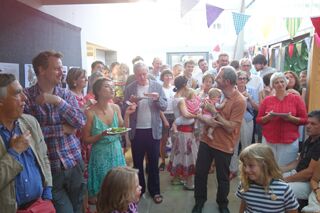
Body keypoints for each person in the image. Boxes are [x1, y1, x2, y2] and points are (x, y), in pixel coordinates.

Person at [23, 51, 86, 213]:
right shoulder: (27, 97)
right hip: (49, 169)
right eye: (57, 68)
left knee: (78, 206)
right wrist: (62, 129)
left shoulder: (65, 94)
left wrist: (57, 101)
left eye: (62, 68)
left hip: (74, 161)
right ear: (41, 70)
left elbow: (80, 122)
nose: (62, 72)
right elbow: (30, 133)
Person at [192, 66, 246, 213]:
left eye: (219, 77)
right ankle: (199, 202)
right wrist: (205, 119)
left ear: (227, 81)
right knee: (200, 173)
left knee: (222, 178)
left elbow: (230, 128)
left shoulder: (239, 101)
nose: (216, 79)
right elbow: (203, 115)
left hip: (224, 144)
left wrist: (214, 112)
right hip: (206, 140)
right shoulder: (216, 94)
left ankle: (223, 204)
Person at [0, 73, 54, 213]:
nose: (25, 98)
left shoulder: (30, 122)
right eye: (17, 94)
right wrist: (14, 152)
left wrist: (47, 193)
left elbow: (43, 158)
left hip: (40, 205)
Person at [82, 78, 136, 204]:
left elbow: (122, 130)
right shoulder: (90, 113)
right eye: (107, 86)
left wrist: (127, 114)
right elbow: (86, 140)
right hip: (100, 154)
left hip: (116, 151)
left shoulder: (116, 107)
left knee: (118, 190)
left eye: (112, 86)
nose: (112, 89)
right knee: (102, 194)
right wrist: (101, 134)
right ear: (98, 91)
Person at [124, 62, 167, 204]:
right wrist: (131, 102)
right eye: (139, 75)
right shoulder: (130, 87)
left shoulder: (157, 86)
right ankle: (139, 190)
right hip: (137, 131)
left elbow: (164, 106)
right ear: (135, 75)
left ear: (147, 72)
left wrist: (157, 99)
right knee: (137, 163)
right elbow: (125, 106)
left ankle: (155, 191)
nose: (142, 77)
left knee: (154, 163)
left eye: (144, 74)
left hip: (153, 130)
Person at [256, 72, 308, 166]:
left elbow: (304, 120)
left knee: (285, 169)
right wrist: (268, 117)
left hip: (289, 141)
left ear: (286, 83)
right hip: (269, 140)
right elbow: (259, 120)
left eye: (282, 81)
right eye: (276, 82)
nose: (280, 84)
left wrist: (291, 118)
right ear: (273, 85)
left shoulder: (296, 99)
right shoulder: (267, 100)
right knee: (269, 168)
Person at [236, 143, 299, 213]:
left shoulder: (284, 189)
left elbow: (293, 211)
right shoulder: (245, 184)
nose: (246, 170)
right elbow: (243, 206)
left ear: (265, 165)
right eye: (244, 165)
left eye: (251, 165)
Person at [167, 76, 199, 190]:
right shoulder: (180, 99)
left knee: (178, 154)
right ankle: (189, 183)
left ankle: (176, 178)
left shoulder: (176, 97)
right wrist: (197, 116)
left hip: (180, 131)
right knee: (189, 156)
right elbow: (185, 114)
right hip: (185, 132)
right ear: (185, 85)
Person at [281, 110, 320, 201]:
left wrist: (285, 179)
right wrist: (278, 169)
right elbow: (298, 161)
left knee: (278, 189)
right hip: (298, 174)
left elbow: (309, 173)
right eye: (307, 123)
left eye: (313, 124)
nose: (308, 126)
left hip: (309, 183)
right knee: (271, 179)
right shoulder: (310, 139)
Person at [229, 71, 259, 179]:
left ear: (247, 80)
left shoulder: (252, 91)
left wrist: (250, 98)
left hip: (247, 119)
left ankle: (247, 170)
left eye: (244, 78)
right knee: (233, 145)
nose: (242, 80)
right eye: (239, 78)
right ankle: (233, 169)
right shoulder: (232, 91)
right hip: (234, 119)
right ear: (235, 80)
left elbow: (257, 108)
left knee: (246, 146)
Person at [159, 69, 175, 171]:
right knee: (163, 140)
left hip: (174, 115)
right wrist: (164, 119)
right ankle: (163, 162)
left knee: (174, 140)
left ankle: (173, 161)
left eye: (170, 76)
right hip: (164, 115)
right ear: (162, 77)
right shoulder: (160, 89)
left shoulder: (175, 88)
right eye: (166, 75)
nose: (168, 77)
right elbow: (158, 106)